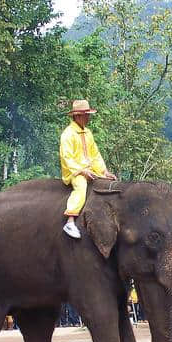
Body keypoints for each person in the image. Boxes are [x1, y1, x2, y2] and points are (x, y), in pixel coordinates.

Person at [60, 99, 117, 239]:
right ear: (78, 115)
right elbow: (66, 157)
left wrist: (104, 171)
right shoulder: (68, 134)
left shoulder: (88, 133)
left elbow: (95, 155)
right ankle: (70, 220)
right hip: (75, 171)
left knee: (109, 183)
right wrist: (81, 170)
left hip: (91, 169)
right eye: (86, 114)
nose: (88, 117)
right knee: (81, 186)